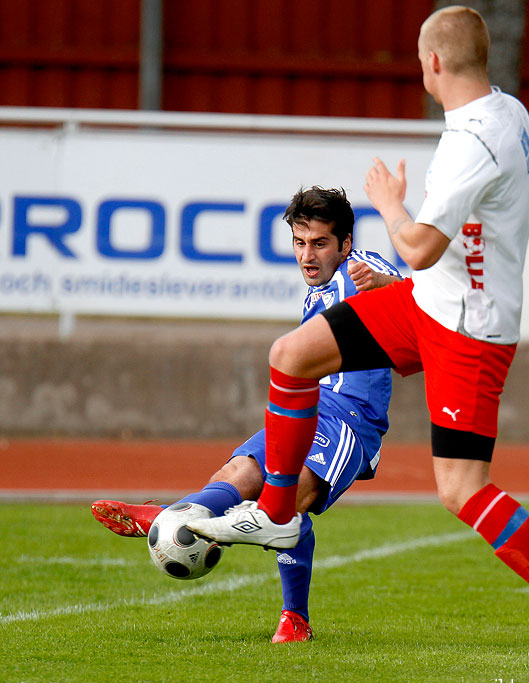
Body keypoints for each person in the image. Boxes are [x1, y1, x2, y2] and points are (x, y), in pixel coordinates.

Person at [186, 6, 529, 683]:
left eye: (421, 60)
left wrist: (389, 202)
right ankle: (274, 514)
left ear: (434, 65)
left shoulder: (467, 143)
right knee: (291, 355)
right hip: (428, 305)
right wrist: (493, 233)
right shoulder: (509, 112)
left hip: (466, 330)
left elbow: (416, 246)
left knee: (461, 489)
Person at [91, 185, 401, 644]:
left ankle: (173, 519)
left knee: (285, 502)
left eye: (319, 243)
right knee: (237, 473)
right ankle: (287, 612)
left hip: (350, 421)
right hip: (309, 408)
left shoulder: (364, 268)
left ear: (346, 243)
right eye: (300, 243)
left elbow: (419, 296)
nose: (307, 255)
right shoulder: (316, 295)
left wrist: (389, 287)